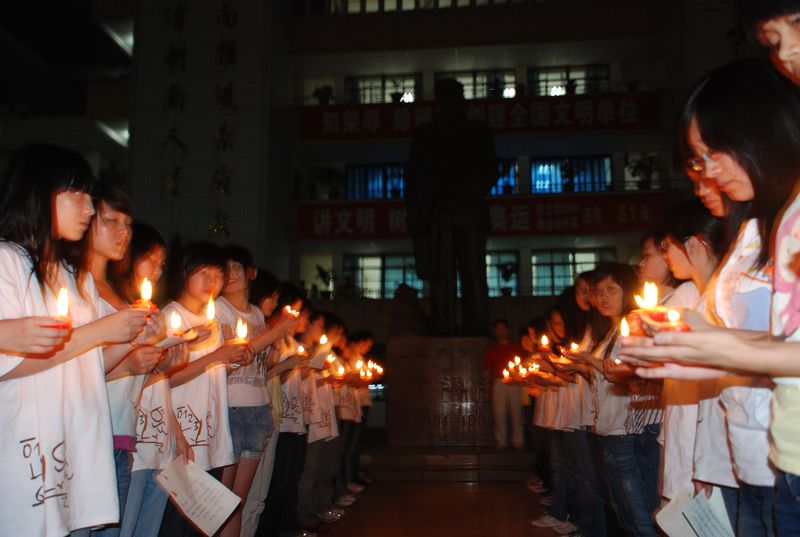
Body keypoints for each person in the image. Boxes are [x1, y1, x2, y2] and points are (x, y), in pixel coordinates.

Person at [0, 145, 151, 536]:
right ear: (38, 192)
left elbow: (87, 367)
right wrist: (99, 332)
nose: (88, 208)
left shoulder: (73, 275)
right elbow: (8, 364)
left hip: (75, 447)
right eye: (77, 195)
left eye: (90, 197)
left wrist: (128, 338)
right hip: (28, 448)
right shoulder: (7, 261)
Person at [158, 243, 252, 536]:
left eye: (218, 275)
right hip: (182, 435)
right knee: (175, 524)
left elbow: (209, 376)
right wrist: (217, 356)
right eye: (204, 274)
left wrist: (232, 360)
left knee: (200, 524)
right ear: (185, 273)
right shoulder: (170, 318)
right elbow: (164, 380)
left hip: (209, 435)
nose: (212, 282)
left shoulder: (211, 322)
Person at [89, 185, 166, 537]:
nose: (124, 232)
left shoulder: (118, 294)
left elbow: (133, 363)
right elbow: (65, 366)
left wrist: (159, 355)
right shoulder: (74, 287)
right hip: (92, 431)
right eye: (112, 220)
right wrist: (130, 363)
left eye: (128, 224)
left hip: (123, 430)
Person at [406, 78, 497, 335]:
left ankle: (475, 327)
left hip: (466, 211)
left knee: (472, 273)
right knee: (442, 275)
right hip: (440, 213)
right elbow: (414, 178)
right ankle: (443, 325)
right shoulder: (425, 134)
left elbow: (490, 171)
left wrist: (461, 191)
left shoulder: (478, 131)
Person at [484, 318, 526, 450]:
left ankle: (518, 441)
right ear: (495, 331)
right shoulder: (492, 349)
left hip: (515, 382)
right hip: (499, 382)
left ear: (507, 330)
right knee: (499, 413)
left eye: (503, 328)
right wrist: (490, 386)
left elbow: (523, 365)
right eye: (498, 329)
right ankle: (501, 442)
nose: (501, 331)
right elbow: (488, 370)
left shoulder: (516, 347)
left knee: (517, 412)